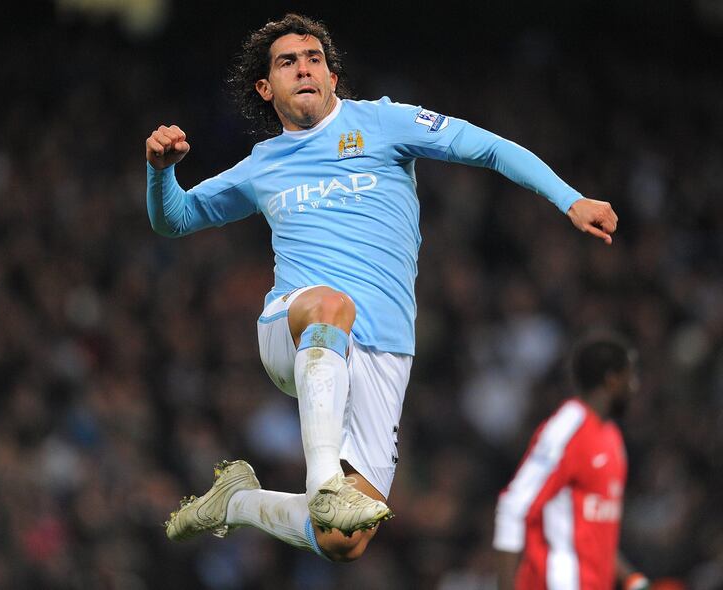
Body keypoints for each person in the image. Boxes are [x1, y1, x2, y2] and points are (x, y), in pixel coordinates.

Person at [145, 13, 619, 562]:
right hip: (294, 329)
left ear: (332, 76)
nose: (304, 69)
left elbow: (487, 147)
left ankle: (237, 503)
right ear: (265, 87)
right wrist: (161, 172)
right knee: (331, 302)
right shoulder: (262, 166)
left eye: (314, 59)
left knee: (344, 541)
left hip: (383, 349)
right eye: (287, 62)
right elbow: (173, 218)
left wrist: (570, 199)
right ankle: (324, 484)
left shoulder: (385, 123)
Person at [493, 333, 650, 589]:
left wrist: (635, 581)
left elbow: (594, 535)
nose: (635, 386)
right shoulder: (567, 428)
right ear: (612, 380)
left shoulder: (611, 437)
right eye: (630, 377)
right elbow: (513, 507)